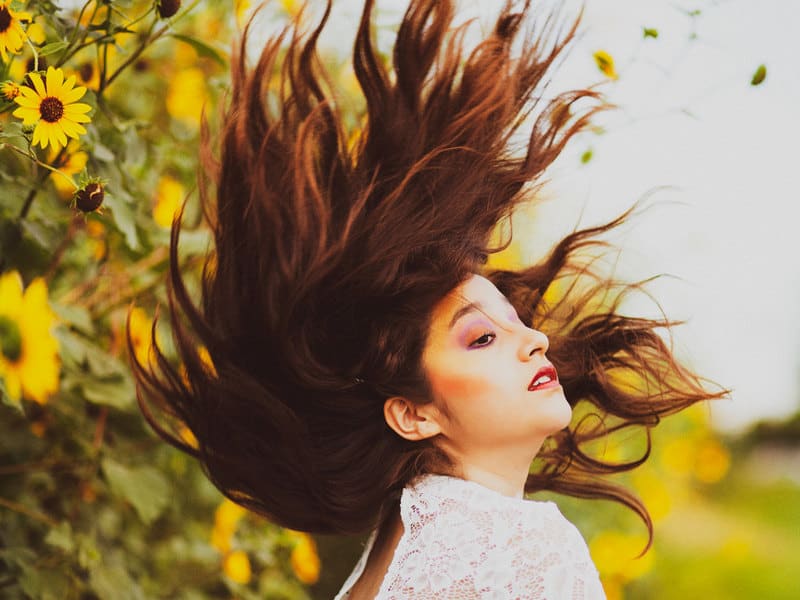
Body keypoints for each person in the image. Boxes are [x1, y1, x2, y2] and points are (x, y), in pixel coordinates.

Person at [129, 0, 725, 597]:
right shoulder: (526, 552)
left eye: (516, 323)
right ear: (413, 415)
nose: (535, 340)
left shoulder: (380, 564)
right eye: (483, 338)